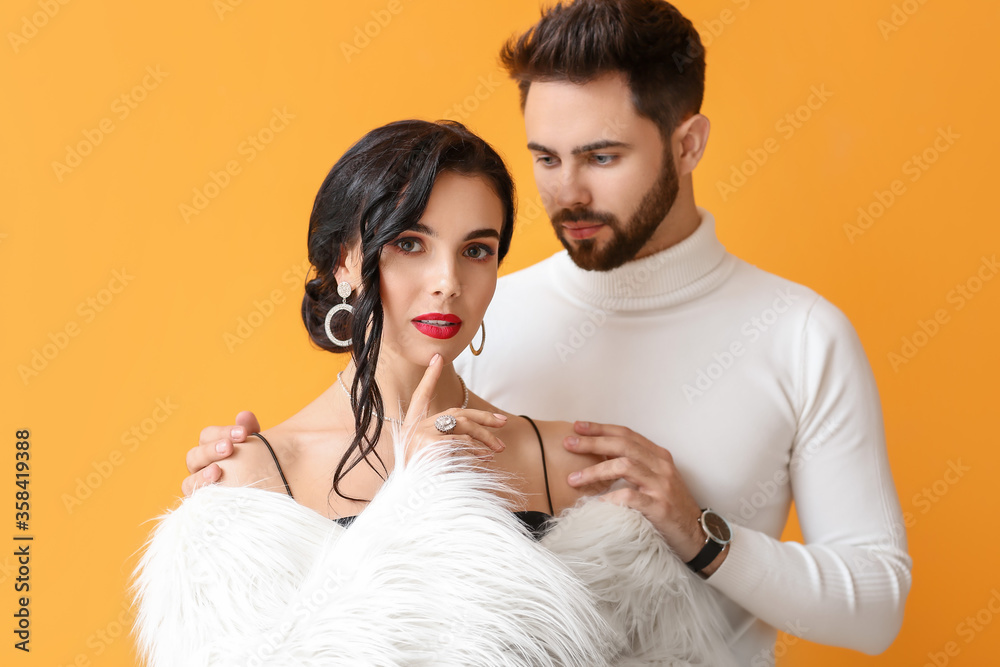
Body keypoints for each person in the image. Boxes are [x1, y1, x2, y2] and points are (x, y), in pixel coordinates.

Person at [184, 1, 913, 664]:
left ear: (688, 144)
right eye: (544, 157)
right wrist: (242, 487)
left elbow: (876, 607)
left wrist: (698, 532)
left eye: (603, 156)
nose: (569, 192)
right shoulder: (478, 313)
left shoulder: (801, 334)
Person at [132, 118, 736, 666]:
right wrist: (418, 494)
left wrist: (696, 531)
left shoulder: (569, 463)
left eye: (477, 250)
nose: (449, 282)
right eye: (410, 244)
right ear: (345, 260)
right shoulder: (253, 479)